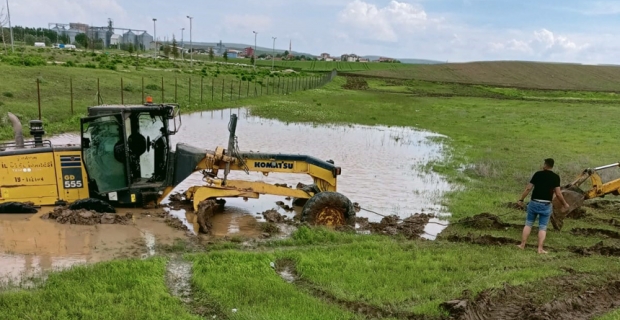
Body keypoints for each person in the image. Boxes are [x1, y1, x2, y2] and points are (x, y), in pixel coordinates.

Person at [516, 158, 570, 254]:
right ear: (552, 166)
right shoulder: (555, 177)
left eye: (544, 164)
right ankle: (540, 249)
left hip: (534, 203)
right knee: (542, 227)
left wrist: (521, 200)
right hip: (546, 205)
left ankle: (522, 245)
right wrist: (565, 204)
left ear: (545, 165)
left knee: (528, 224)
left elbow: (528, 188)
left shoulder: (537, 174)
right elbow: (558, 194)